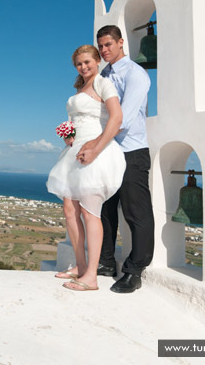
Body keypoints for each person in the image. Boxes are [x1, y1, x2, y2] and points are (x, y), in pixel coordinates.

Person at [77, 25, 153, 293]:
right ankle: (106, 262)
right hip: (107, 151)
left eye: (109, 44)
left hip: (131, 151)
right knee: (104, 211)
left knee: (136, 213)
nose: (104, 49)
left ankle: (135, 271)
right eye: (101, 46)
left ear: (121, 42)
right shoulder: (103, 75)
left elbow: (124, 119)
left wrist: (95, 145)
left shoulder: (137, 75)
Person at [46, 45, 126, 291]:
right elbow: (75, 119)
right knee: (70, 209)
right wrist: (68, 135)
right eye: (79, 64)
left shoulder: (104, 84)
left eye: (87, 62)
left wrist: (96, 148)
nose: (84, 67)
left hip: (95, 150)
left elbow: (116, 118)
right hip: (75, 150)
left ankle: (91, 276)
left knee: (91, 212)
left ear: (97, 61)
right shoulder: (79, 88)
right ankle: (80, 266)